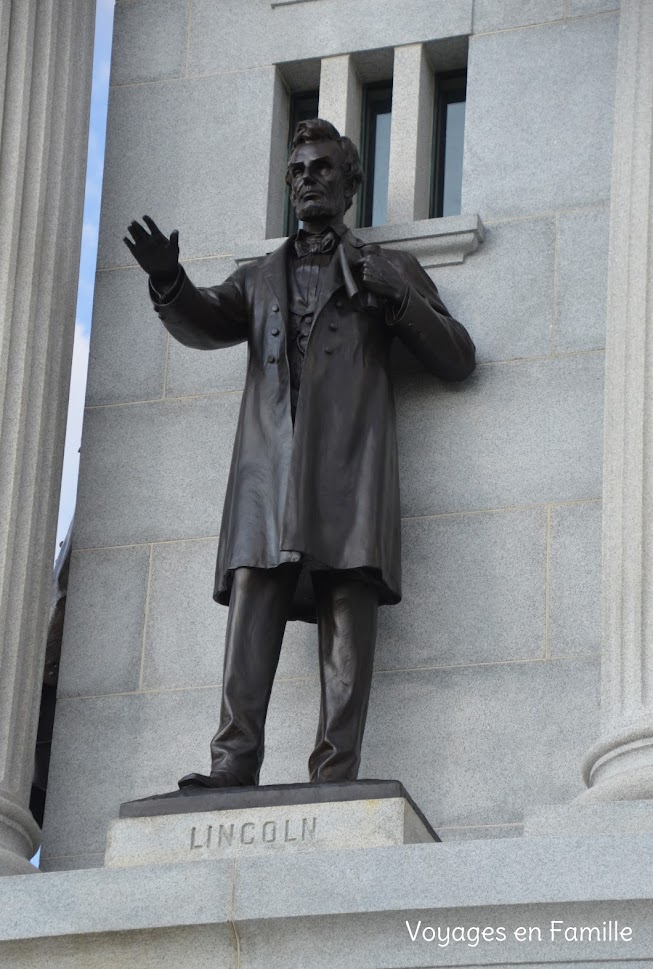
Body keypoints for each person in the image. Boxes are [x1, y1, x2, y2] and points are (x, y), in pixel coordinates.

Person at [124, 118, 475, 789]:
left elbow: (456, 356)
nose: (307, 179)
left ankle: (335, 771)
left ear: (350, 183)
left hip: (350, 470)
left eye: (320, 168)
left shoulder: (388, 270)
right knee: (254, 598)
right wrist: (169, 282)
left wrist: (397, 298)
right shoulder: (257, 279)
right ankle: (232, 764)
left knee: (348, 601)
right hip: (267, 474)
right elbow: (203, 321)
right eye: (297, 171)